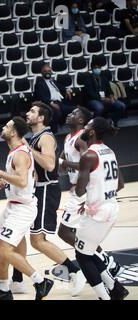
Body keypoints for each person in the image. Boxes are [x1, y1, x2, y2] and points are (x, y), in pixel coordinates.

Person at [11, 102, 85, 295]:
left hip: (46, 190)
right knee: (18, 232)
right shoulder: (34, 137)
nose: (28, 114)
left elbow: (50, 165)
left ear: (41, 118)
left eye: (32, 111)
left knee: (37, 240)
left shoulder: (45, 137)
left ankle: (75, 271)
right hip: (35, 190)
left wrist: (29, 150)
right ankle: (17, 279)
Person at [0, 117, 54, 300]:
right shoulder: (15, 151)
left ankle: (41, 282)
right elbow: (28, 176)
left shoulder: (20, 154)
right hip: (13, 206)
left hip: (23, 209)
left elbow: (23, 181)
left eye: (6, 126)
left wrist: (1, 173)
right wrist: (6, 179)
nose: (3, 127)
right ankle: (4, 290)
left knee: (5, 250)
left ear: (13, 132)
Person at [74, 117, 129, 300]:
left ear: (91, 132)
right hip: (112, 208)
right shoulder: (109, 151)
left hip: (97, 214)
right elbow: (120, 184)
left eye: (87, 125)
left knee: (82, 255)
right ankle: (115, 288)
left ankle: (105, 297)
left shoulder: (88, 155)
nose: (84, 128)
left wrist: (91, 198)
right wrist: (100, 195)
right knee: (88, 251)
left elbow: (80, 189)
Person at [33, 63, 73, 133]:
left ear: (51, 72)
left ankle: (68, 128)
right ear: (42, 73)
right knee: (56, 112)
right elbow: (41, 96)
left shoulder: (53, 81)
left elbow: (60, 87)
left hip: (60, 102)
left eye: (49, 71)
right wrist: (51, 103)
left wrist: (67, 90)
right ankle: (54, 133)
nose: (47, 73)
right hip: (49, 103)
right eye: (45, 71)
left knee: (74, 110)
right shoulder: (39, 84)